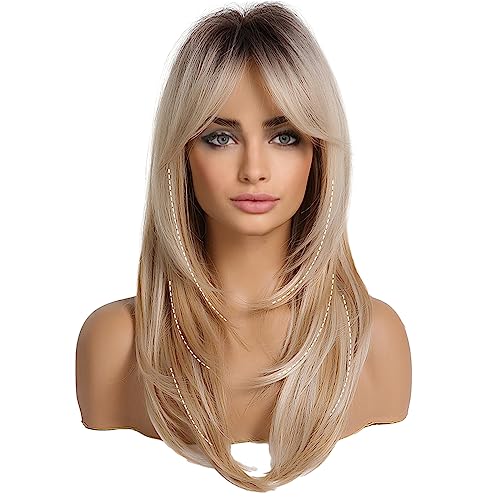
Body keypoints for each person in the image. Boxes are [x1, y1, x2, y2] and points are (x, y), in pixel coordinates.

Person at [76, 2, 411, 492]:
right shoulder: (115, 344)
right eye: (220, 138)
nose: (254, 169)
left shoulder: (374, 341)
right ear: (182, 154)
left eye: (284, 136)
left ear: (318, 154)